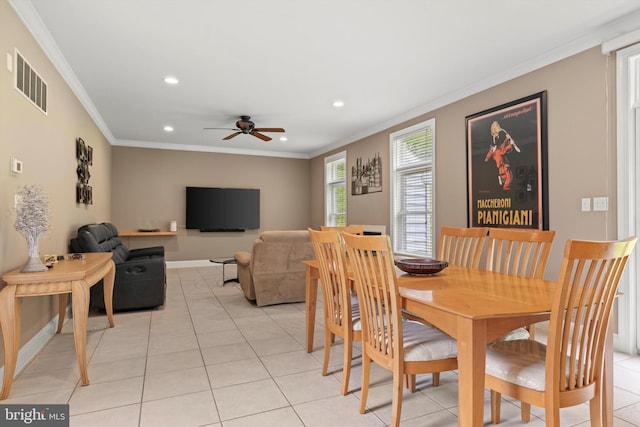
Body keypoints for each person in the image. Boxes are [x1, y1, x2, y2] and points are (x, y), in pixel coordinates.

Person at [484, 121, 520, 190]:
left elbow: (491, 154)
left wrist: (509, 141)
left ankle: (502, 178)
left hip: (500, 159)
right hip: (499, 156)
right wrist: (510, 144)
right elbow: (502, 150)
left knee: (505, 172)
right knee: (508, 174)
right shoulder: (497, 147)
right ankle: (505, 185)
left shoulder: (499, 136)